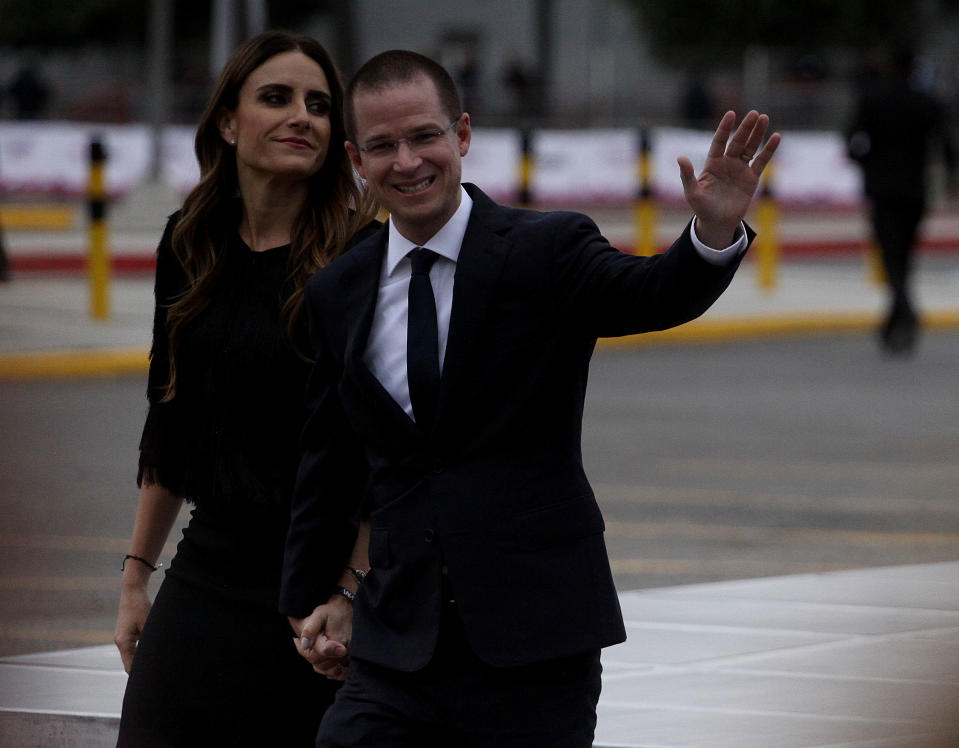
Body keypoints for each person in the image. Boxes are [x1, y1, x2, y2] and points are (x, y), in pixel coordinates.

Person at [280, 50, 779, 747]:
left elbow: (651, 293)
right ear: (356, 160)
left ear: (461, 135)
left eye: (423, 136)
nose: (407, 161)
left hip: (535, 641)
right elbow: (328, 459)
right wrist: (312, 595)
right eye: (383, 146)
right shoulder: (339, 291)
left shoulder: (545, 249)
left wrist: (711, 234)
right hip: (398, 645)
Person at [113, 31, 376, 747]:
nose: (303, 116)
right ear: (227, 121)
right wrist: (136, 579)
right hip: (209, 567)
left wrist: (351, 591)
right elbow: (169, 419)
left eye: (320, 105)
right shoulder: (189, 242)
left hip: (318, 595)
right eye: (277, 97)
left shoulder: (361, 256)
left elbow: (382, 447)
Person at [847, 46, 956, 354]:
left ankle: (904, 311)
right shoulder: (929, 103)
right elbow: (947, 145)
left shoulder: (873, 100)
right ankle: (898, 318)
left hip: (882, 189)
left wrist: (868, 165)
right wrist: (949, 182)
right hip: (915, 189)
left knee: (890, 252)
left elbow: (851, 142)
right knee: (904, 254)